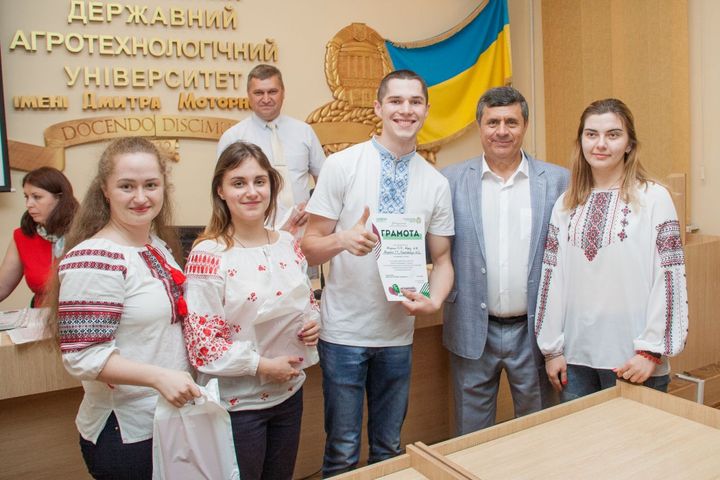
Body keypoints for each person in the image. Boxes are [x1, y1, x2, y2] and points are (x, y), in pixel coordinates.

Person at [302, 69, 455, 477]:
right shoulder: (342, 165)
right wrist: (342, 240)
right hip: (344, 334)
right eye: (396, 101)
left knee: (389, 451)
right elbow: (308, 245)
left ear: (426, 110)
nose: (406, 110)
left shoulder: (436, 183)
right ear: (378, 108)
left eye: (415, 102)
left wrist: (434, 300)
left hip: (397, 337)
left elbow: (443, 261)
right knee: (342, 452)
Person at [48, 137, 201, 479]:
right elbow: (83, 356)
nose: (141, 197)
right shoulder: (94, 258)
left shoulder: (156, 246)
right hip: (127, 433)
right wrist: (159, 377)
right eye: (127, 186)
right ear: (105, 189)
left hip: (168, 422)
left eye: (151, 185)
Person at [183, 141, 320, 480]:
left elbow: (306, 303)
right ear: (221, 190)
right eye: (238, 183)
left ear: (272, 186)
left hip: (289, 394)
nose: (251, 192)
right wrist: (262, 366)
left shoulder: (287, 244)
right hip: (238, 406)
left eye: (260, 181)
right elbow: (203, 347)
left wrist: (313, 324)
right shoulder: (208, 255)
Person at [535, 98, 689, 400]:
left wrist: (650, 350)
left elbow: (669, 277)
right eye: (591, 134)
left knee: (636, 434)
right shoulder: (566, 204)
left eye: (613, 135)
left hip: (634, 360)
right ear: (581, 141)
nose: (601, 144)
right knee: (584, 433)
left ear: (629, 144)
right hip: (575, 361)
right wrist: (551, 349)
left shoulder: (654, 199)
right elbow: (552, 279)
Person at [442, 86, 569, 435]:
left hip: (534, 331)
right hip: (471, 328)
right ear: (479, 127)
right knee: (471, 436)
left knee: (538, 432)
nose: (502, 131)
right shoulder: (449, 180)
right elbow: (432, 248)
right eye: (493, 122)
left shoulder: (558, 180)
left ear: (525, 125)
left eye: (511, 122)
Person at [217, 64, 326, 233]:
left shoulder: (304, 132)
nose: (266, 99)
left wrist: (313, 206)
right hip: (252, 233)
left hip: (301, 230)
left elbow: (325, 180)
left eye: (272, 92)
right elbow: (223, 188)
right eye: (259, 93)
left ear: (283, 93)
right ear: (249, 95)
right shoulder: (233, 137)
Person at [0, 167, 78, 306]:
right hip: (40, 315)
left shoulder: (86, 234)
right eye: (26, 197)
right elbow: (2, 287)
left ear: (60, 198)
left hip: (79, 315)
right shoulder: (22, 236)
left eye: (37, 197)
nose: (28, 204)